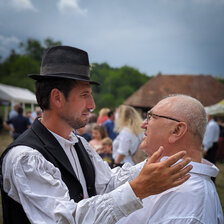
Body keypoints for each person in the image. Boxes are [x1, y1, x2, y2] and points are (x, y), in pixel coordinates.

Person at [0, 46, 192, 224]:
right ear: (57, 97)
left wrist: (155, 162)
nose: (92, 105)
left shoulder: (78, 143)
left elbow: (107, 183)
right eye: (84, 95)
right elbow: (66, 219)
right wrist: (138, 190)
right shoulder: (26, 157)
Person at [117, 94, 223, 224]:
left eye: (151, 117)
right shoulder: (167, 177)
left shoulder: (189, 204)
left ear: (177, 130)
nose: (143, 124)